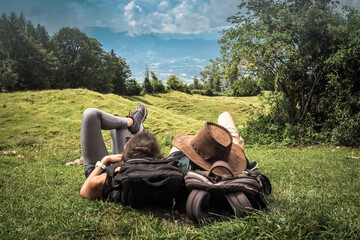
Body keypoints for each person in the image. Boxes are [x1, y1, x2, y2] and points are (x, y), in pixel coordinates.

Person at [79, 105, 256, 200]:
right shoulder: (187, 172)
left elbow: (86, 189)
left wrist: (105, 161)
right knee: (224, 116)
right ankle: (132, 123)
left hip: (110, 169)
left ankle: (131, 122)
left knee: (91, 115)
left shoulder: (180, 166)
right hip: (131, 163)